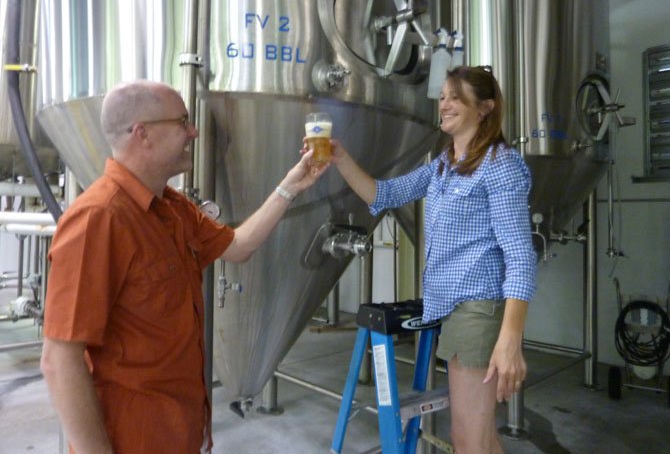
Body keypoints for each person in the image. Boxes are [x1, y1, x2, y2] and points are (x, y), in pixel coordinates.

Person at [40, 80, 328, 454]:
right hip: (134, 440)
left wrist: (291, 186)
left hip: (181, 432)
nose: (193, 131)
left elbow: (238, 247)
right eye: (182, 122)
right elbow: (59, 360)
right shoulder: (98, 219)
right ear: (142, 134)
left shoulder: (173, 208)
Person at [330, 65, 536, 453]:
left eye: (455, 96)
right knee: (482, 440)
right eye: (442, 97)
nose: (443, 104)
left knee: (467, 441)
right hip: (456, 310)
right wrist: (339, 158)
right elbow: (384, 194)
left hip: (478, 311)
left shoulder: (499, 165)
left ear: (486, 107)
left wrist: (511, 339)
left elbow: (521, 258)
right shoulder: (444, 165)